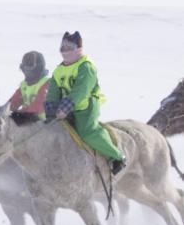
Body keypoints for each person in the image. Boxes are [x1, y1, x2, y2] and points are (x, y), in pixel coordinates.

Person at [45, 31, 126, 175]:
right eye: (62, 47)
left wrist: (64, 109)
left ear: (78, 49)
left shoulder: (85, 66)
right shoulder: (59, 70)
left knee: (87, 132)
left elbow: (81, 91)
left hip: (85, 106)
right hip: (66, 108)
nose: (65, 50)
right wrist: (50, 111)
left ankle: (117, 157)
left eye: (69, 47)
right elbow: (53, 92)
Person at [8, 51, 50, 119]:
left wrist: (20, 113)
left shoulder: (46, 83)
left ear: (39, 67)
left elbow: (40, 105)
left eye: (30, 66)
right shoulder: (24, 85)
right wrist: (1, 111)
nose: (27, 70)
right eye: (25, 66)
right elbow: (14, 102)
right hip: (27, 120)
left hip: (44, 123)